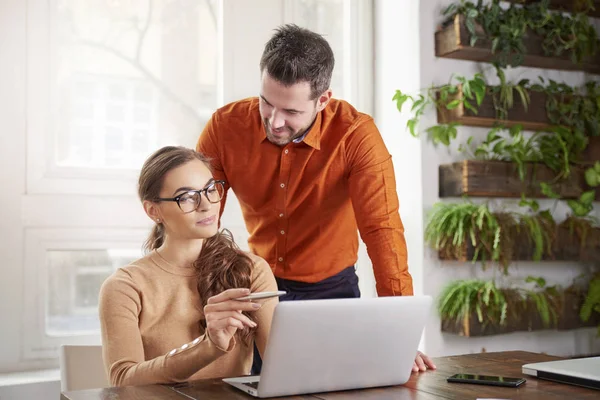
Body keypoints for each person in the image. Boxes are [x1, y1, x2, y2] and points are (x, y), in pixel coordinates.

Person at [197, 24, 435, 372]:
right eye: (266, 103)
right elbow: (198, 218)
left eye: (291, 112)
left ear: (323, 99)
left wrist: (400, 332)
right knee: (254, 388)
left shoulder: (356, 136)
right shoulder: (225, 126)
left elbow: (382, 231)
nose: (274, 122)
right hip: (257, 289)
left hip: (331, 291)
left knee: (335, 389)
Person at [99, 146, 278, 387]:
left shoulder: (251, 269)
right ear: (153, 211)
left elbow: (281, 368)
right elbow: (123, 381)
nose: (206, 205)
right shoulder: (124, 286)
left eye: (210, 189)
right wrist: (208, 346)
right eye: (187, 197)